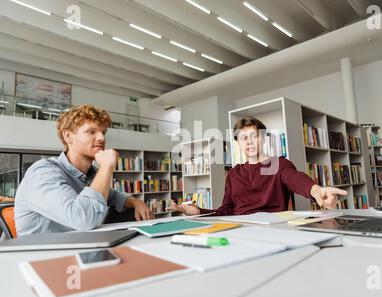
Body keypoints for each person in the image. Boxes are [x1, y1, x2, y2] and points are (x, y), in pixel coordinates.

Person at [14, 105, 154, 236]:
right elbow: (82, 220)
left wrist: (136, 202)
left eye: (103, 132)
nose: (101, 138)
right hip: (40, 255)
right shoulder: (42, 172)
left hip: (78, 249)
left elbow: (113, 196)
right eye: (91, 132)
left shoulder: (91, 174)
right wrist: (106, 167)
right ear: (68, 136)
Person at [168, 116, 347, 216]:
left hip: (273, 230)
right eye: (243, 138)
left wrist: (316, 191)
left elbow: (296, 178)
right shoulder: (233, 174)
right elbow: (226, 210)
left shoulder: (279, 164)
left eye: (254, 135)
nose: (249, 142)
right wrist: (199, 211)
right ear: (238, 143)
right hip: (239, 231)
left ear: (263, 138)